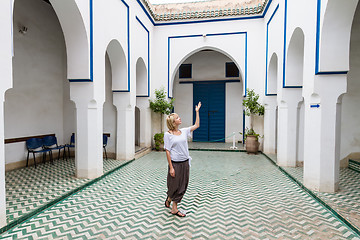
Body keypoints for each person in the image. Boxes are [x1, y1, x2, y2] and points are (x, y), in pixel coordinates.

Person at [163, 102, 201, 217]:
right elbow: (167, 151)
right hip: (175, 163)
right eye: (177, 118)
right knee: (174, 185)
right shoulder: (168, 135)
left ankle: (172, 203)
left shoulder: (184, 131)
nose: (180, 119)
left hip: (185, 162)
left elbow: (196, 125)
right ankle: (172, 203)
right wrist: (171, 167)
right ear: (173, 122)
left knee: (183, 185)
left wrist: (197, 111)